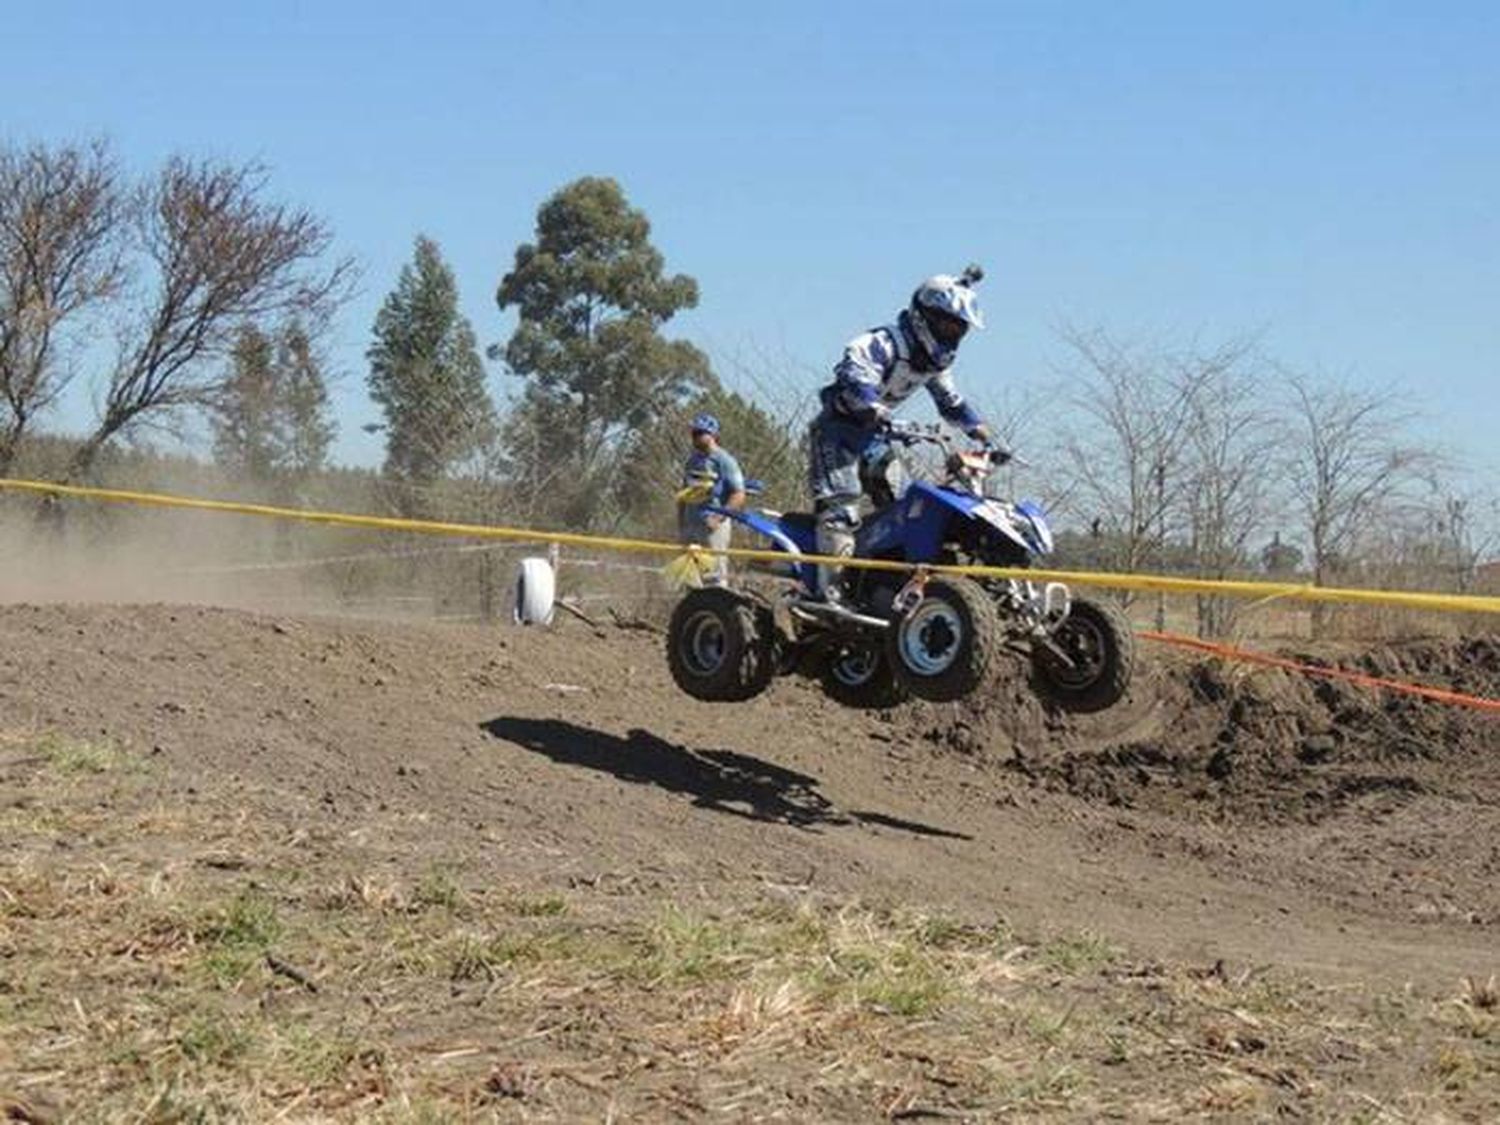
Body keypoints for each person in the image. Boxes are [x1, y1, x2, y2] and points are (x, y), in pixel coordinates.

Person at [807, 264, 1007, 603]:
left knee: (908, 509)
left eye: (959, 329)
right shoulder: (881, 343)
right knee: (841, 509)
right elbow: (853, 379)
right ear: (923, 315)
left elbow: (952, 403)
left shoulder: (933, 363)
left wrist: (986, 436)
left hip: (875, 438)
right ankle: (830, 592)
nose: (951, 334)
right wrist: (874, 408)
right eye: (946, 324)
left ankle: (885, 585)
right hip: (838, 433)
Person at [678, 412, 746, 586]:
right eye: (694, 433)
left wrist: (718, 518)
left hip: (712, 528)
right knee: (690, 578)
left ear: (713, 435)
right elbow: (684, 492)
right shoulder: (692, 461)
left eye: (700, 433)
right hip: (691, 525)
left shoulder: (724, 461)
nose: (695, 437)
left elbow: (738, 494)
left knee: (714, 578)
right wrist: (681, 521)